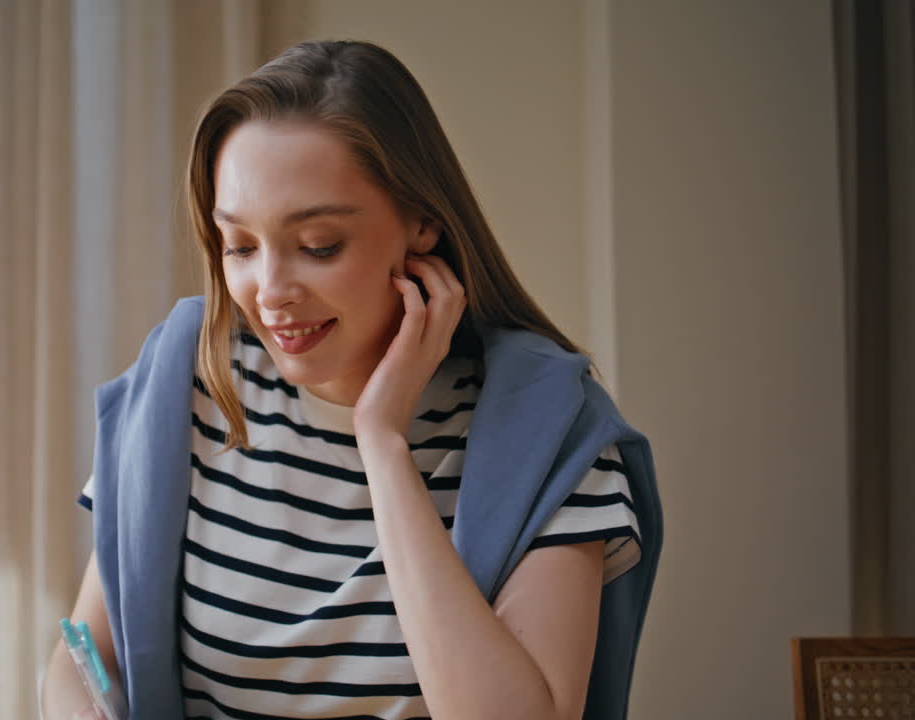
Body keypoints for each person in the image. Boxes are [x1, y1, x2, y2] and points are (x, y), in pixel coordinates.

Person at [42, 40, 661, 720]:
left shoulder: (549, 433)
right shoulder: (182, 385)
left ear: (421, 223)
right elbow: (82, 653)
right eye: (240, 246)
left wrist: (383, 442)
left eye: (318, 246)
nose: (270, 291)